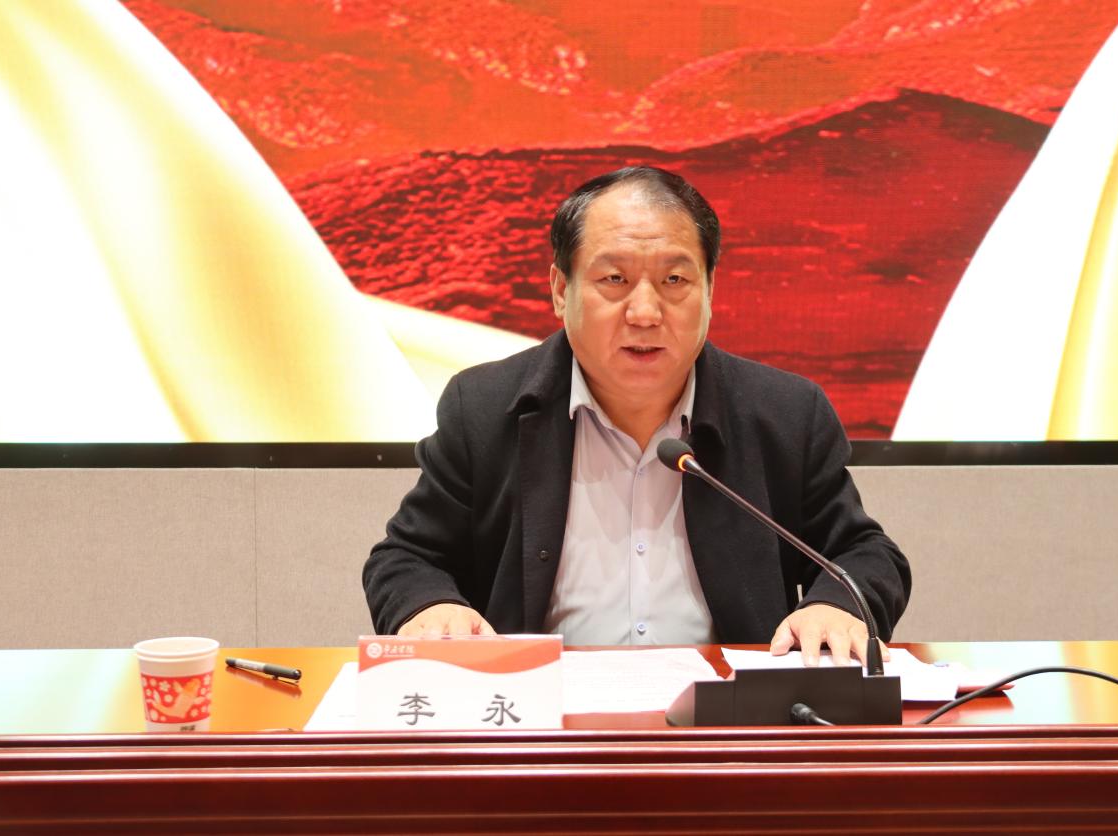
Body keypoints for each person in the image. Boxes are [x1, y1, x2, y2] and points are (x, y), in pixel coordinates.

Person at [364, 166, 910, 666]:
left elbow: (864, 553)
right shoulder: (485, 407)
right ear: (561, 290)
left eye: (674, 281)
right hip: (543, 716)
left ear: (710, 289)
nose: (645, 313)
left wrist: (836, 605)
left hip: (726, 719)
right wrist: (431, 605)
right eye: (614, 280)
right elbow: (407, 557)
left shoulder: (784, 414)